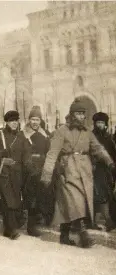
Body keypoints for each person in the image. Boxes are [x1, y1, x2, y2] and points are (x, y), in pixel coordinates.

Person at [41, 100, 116, 248]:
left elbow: (98, 148)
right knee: (76, 202)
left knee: (73, 204)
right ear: (71, 114)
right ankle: (84, 235)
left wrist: (110, 163)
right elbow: (52, 153)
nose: (81, 116)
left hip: (85, 171)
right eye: (78, 113)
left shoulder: (87, 132)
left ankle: (64, 235)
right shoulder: (62, 131)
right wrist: (47, 174)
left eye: (83, 114)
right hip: (67, 170)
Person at [0, 110, 31, 240]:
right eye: (12, 121)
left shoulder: (21, 136)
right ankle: (10, 229)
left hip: (18, 172)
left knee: (16, 199)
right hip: (5, 171)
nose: (14, 123)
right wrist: (1, 154)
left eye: (16, 121)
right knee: (8, 200)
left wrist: (28, 165)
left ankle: (11, 226)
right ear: (6, 122)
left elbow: (26, 153)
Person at [21, 106, 51, 237]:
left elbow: (49, 151)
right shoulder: (23, 134)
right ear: (29, 120)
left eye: (37, 119)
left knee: (41, 195)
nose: (35, 122)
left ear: (40, 120)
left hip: (42, 168)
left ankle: (38, 219)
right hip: (29, 169)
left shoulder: (45, 135)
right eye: (32, 119)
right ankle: (30, 226)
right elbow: (22, 153)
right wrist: (30, 167)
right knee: (31, 197)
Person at [91, 112, 116, 232]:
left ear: (105, 124)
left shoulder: (109, 138)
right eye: (98, 122)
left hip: (106, 171)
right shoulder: (91, 136)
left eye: (102, 123)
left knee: (106, 194)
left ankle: (108, 220)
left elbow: (113, 154)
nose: (99, 125)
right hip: (93, 170)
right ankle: (95, 220)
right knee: (95, 195)